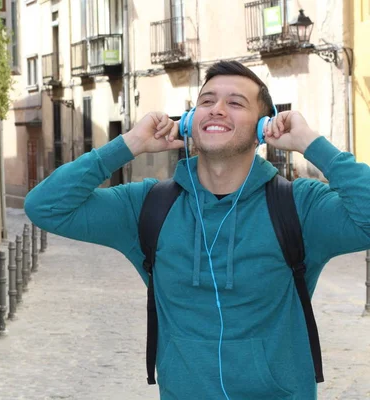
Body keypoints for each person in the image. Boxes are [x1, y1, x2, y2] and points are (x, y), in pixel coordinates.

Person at [24, 60, 370, 400]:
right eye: (206, 101)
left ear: (263, 129)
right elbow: (46, 206)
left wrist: (312, 143)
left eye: (235, 103)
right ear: (189, 121)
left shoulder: (299, 207)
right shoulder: (147, 206)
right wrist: (129, 143)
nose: (217, 109)